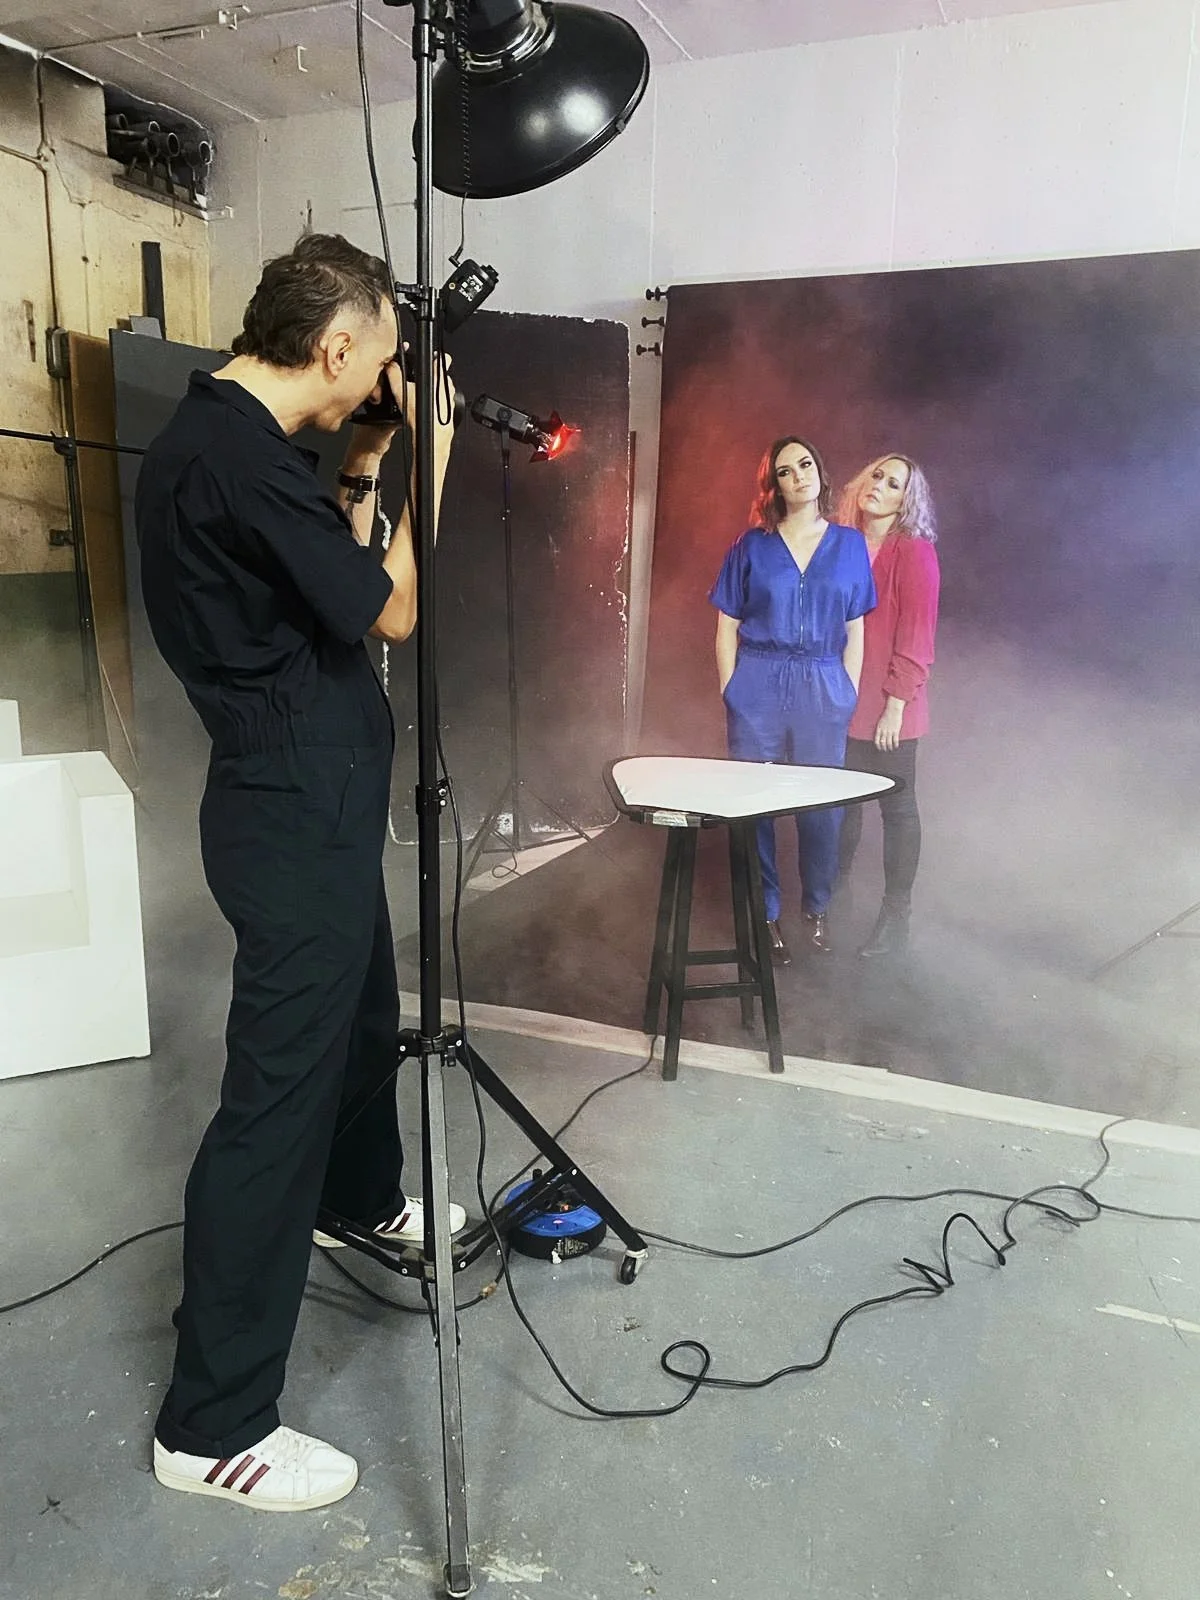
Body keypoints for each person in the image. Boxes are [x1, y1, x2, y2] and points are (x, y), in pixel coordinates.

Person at [138, 233, 461, 1513]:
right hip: (288, 806)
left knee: (362, 1017)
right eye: (377, 362)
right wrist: (424, 462)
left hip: (311, 797)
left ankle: (358, 1197)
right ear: (335, 347)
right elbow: (386, 609)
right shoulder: (231, 454)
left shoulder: (242, 446)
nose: (381, 379)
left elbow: (318, 578)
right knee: (272, 1099)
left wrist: (370, 456)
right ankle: (210, 1422)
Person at [710, 436, 875, 961]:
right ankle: (766, 912)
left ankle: (817, 905)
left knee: (821, 804)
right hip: (759, 678)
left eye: (805, 464)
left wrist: (846, 692)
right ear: (773, 485)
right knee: (755, 804)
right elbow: (725, 626)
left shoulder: (849, 545)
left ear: (820, 473)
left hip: (823, 680)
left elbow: (857, 629)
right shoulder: (751, 545)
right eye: (785, 471)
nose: (799, 475)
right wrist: (731, 691)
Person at [836, 453, 940, 957]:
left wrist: (895, 704)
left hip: (890, 707)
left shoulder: (914, 552)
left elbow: (917, 637)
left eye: (893, 483)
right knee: (840, 810)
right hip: (840, 703)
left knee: (896, 811)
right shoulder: (841, 544)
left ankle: (895, 917)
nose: (878, 485)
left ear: (906, 501)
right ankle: (832, 905)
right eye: (875, 474)